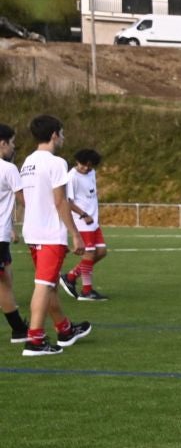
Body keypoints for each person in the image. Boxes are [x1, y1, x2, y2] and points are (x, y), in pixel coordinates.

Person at [18, 115, 90, 356]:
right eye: (62, 132)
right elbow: (61, 202)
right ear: (53, 135)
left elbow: (27, 199)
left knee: (48, 286)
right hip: (49, 234)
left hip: (33, 232)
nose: (63, 137)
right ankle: (35, 341)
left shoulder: (27, 161)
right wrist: (75, 234)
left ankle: (65, 329)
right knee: (43, 286)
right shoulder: (57, 163)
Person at [59, 148, 109, 302]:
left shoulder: (91, 173)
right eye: (83, 165)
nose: (86, 168)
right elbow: (68, 202)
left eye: (90, 165)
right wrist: (83, 214)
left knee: (101, 252)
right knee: (89, 254)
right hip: (82, 221)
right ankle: (86, 291)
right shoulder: (71, 177)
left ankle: (70, 276)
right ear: (77, 161)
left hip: (93, 221)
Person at [0, 124, 27, 343]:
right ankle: (18, 329)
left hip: (3, 235)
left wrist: (11, 229)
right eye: (12, 142)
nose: (14, 147)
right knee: (4, 286)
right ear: (3, 144)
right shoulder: (8, 169)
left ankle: (19, 328)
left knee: (6, 279)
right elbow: (23, 200)